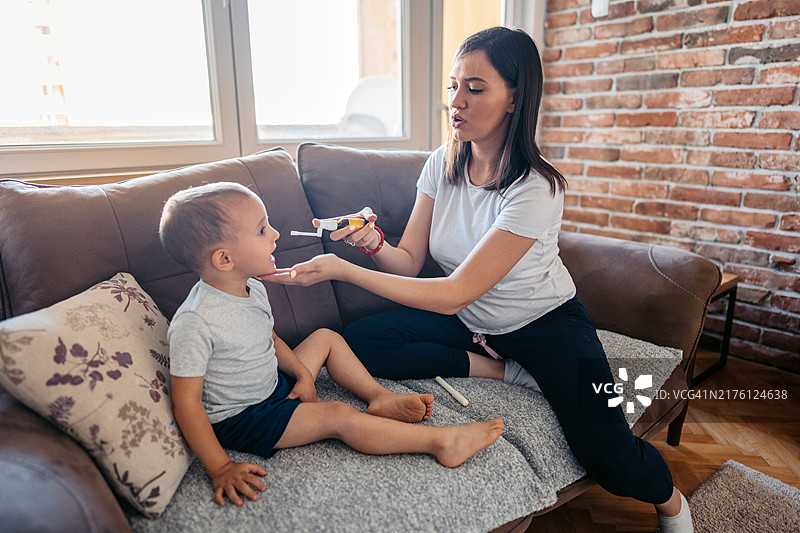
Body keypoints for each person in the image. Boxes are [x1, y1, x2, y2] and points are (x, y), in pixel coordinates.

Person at [265, 27, 693, 532]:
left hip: (544, 325)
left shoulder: (536, 189)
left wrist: (340, 268)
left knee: (610, 457)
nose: (456, 102)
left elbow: (451, 294)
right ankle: (508, 371)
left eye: (475, 87)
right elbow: (408, 262)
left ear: (514, 97)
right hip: (473, 326)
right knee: (363, 342)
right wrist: (372, 244)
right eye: (452, 87)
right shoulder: (440, 165)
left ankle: (673, 505)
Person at [158, 182, 504, 508]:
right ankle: (442, 442)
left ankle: (379, 396)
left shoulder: (252, 287)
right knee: (337, 415)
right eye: (263, 230)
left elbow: (270, 338)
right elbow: (187, 404)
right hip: (246, 417)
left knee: (326, 337)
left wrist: (301, 374)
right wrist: (219, 467)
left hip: (274, 385)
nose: (276, 234)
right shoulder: (195, 321)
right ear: (224, 260)